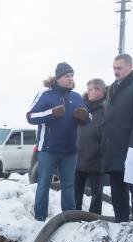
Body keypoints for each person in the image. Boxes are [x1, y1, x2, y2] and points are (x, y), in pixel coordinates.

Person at [26, 62, 90, 221]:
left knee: (68, 186)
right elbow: (30, 116)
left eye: (72, 76)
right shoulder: (46, 95)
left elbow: (88, 118)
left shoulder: (76, 97)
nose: (71, 79)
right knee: (43, 184)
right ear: (59, 77)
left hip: (69, 151)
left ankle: (69, 219)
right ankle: (40, 218)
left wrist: (85, 117)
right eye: (67, 76)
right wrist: (51, 113)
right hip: (48, 149)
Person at [101, 53, 133, 222]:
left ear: (130, 67)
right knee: (117, 187)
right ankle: (121, 219)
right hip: (113, 147)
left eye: (120, 68)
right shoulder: (111, 88)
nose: (116, 71)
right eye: (114, 68)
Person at [75, 78, 107, 214]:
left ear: (99, 91)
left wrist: (102, 148)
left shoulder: (107, 108)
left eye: (90, 89)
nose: (87, 92)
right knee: (76, 190)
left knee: (97, 193)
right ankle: (74, 215)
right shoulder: (81, 106)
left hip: (97, 158)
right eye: (87, 89)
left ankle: (94, 218)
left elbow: (109, 132)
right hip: (78, 156)